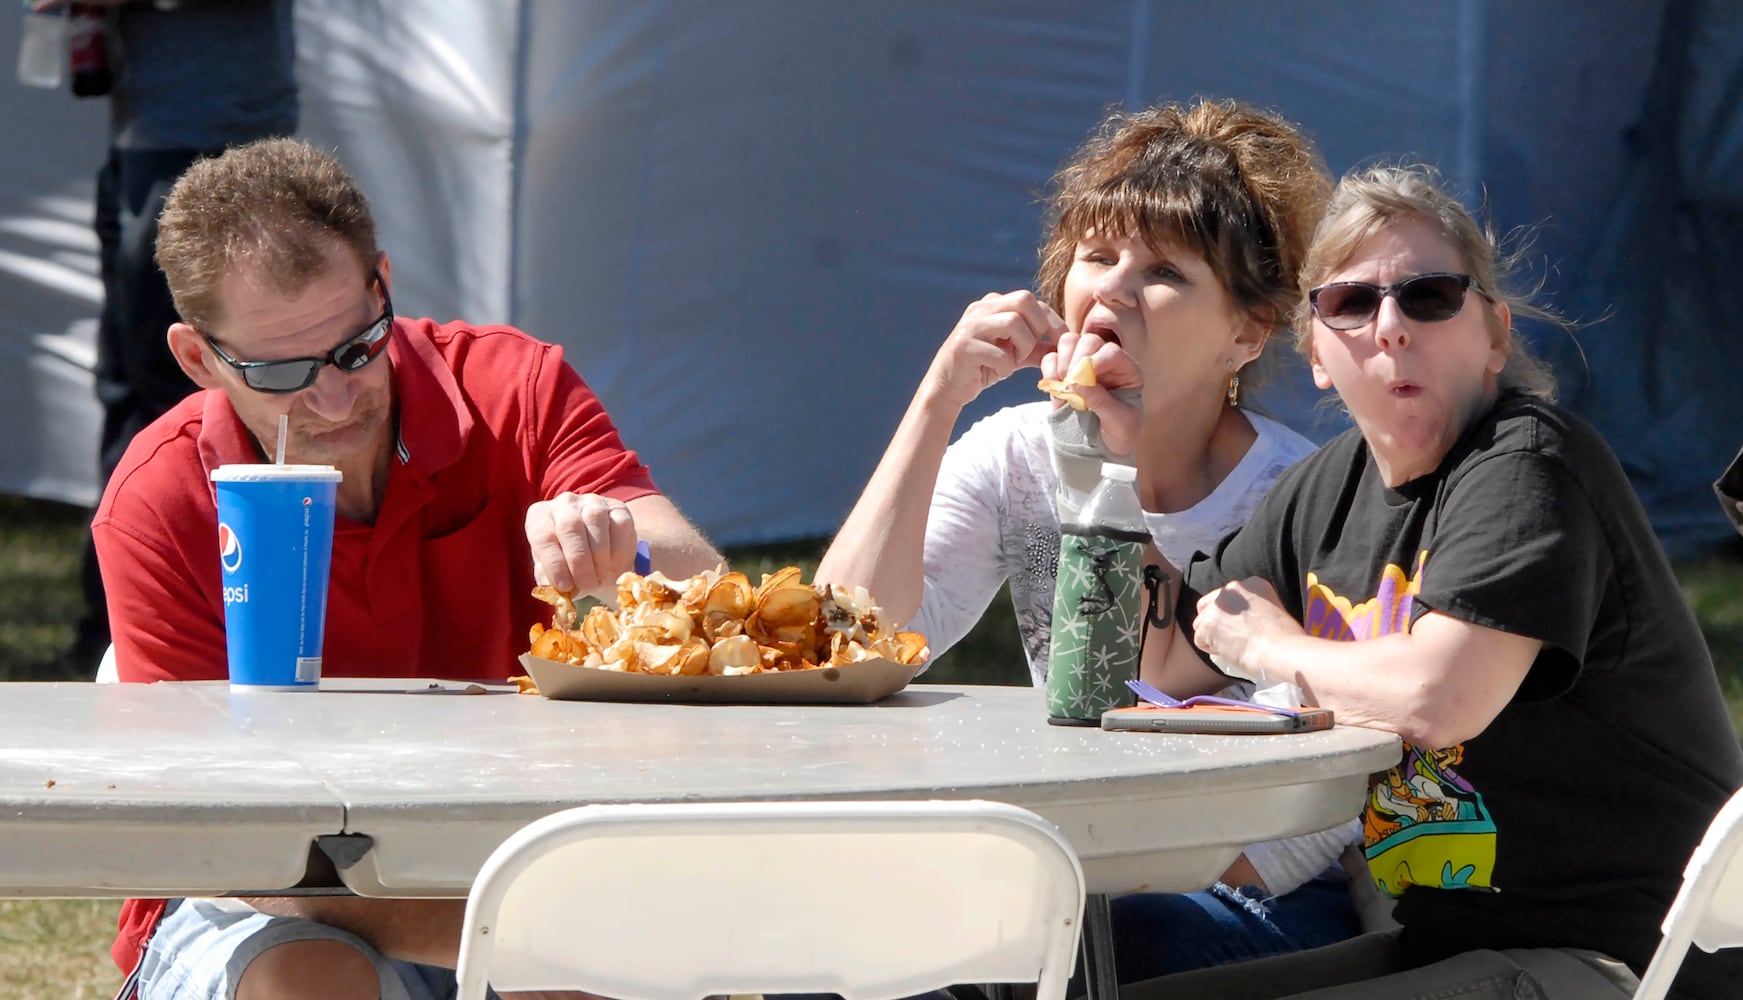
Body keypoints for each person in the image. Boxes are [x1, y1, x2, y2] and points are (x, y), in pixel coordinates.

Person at [92, 137, 722, 1000]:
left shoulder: (512, 388)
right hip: (261, 889)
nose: (335, 399)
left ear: (381, 284)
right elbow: (217, 842)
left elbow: (705, 596)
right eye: (280, 371)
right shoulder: (162, 498)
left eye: (358, 346)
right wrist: (503, 933)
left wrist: (621, 548)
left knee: (578, 968)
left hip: (498, 853)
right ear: (199, 359)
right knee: (312, 982)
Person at [1120, 164, 1743, 1000]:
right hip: (1446, 945)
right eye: (1349, 303)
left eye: (1429, 296)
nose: (1389, 327)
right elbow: (1165, 669)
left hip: (1622, 962)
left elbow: (1438, 696)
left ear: (1493, 335)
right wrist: (1131, 443)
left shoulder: (1525, 461)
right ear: (1313, 352)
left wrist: (1271, 648)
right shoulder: (1323, 490)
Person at [818, 98, 1359, 981]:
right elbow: (849, 645)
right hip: (1060, 870)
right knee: (834, 939)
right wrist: (938, 399)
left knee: (1096, 944)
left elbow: (1326, 793)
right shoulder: (1014, 452)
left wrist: (1113, 480)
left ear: (1245, 332)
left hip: (1242, 895)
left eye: (1162, 273)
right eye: (1095, 257)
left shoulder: (1299, 496)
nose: (1108, 289)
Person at [41, 0, 301, 676]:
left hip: (217, 145)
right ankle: (113, 624)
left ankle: (202, 632)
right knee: (128, 393)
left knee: (187, 401)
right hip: (143, 135)